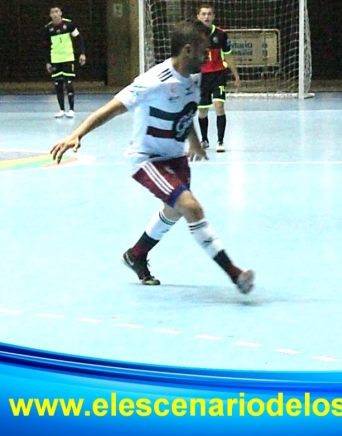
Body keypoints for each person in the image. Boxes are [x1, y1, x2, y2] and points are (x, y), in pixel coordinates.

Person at [50, 20, 254, 294]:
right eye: (204, 51)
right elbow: (111, 109)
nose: (208, 57)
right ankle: (235, 274)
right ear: (187, 50)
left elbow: (186, 110)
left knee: (176, 209)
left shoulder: (195, 76)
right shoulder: (152, 82)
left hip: (175, 157)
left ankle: (136, 254)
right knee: (191, 207)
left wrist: (193, 141)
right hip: (148, 159)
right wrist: (78, 134)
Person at [196, 4, 240, 153]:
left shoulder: (221, 34)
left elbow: (228, 55)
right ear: (198, 16)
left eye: (209, 14)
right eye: (203, 14)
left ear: (213, 17)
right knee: (202, 111)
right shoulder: (192, 35)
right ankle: (204, 139)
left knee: (219, 106)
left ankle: (220, 141)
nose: (206, 17)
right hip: (201, 77)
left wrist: (235, 74)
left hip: (218, 74)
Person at [44, 6, 86, 118]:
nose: (55, 14)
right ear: (50, 15)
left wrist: (82, 53)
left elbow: (79, 38)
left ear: (61, 13)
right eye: (52, 12)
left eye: (57, 12)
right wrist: (48, 62)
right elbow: (46, 46)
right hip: (55, 59)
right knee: (58, 84)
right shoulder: (48, 28)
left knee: (68, 83)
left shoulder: (69, 24)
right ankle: (61, 109)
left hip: (67, 58)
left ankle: (71, 109)